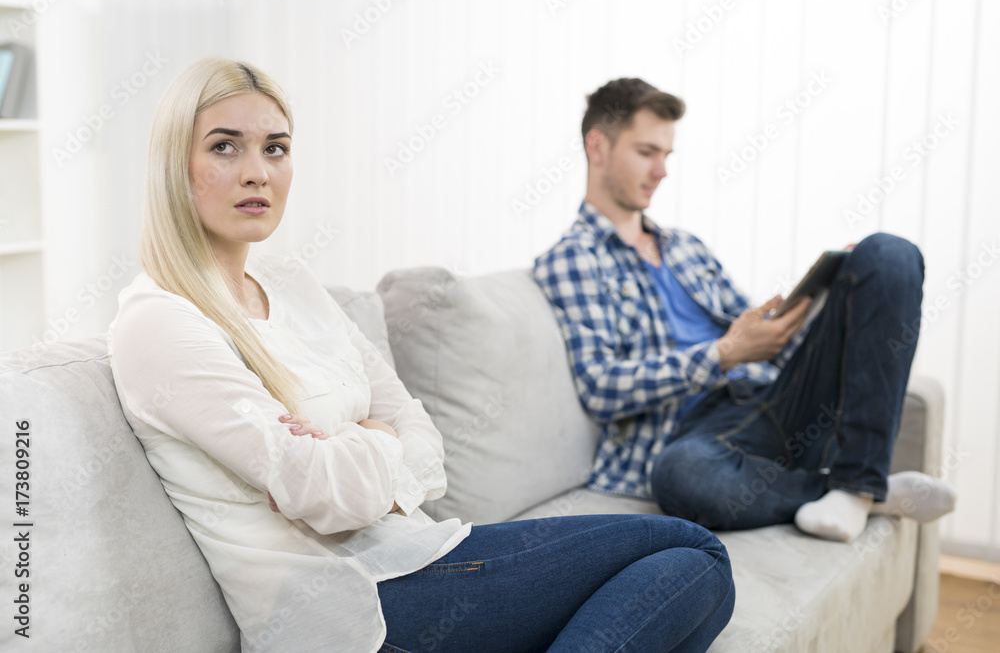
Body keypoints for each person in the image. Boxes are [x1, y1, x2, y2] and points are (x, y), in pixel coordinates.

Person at [108, 58, 735, 653]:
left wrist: (356, 441)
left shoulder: (294, 287)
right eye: (224, 146)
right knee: (696, 554)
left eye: (275, 147)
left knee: (693, 563)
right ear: (174, 164)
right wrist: (373, 438)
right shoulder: (159, 321)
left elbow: (423, 443)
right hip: (353, 606)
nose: (258, 171)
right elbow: (321, 489)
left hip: (417, 554)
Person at [533, 78, 957, 545]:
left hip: (774, 404)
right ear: (598, 146)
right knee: (684, 478)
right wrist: (724, 354)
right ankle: (862, 488)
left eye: (667, 156)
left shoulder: (687, 248)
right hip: (701, 442)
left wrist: (831, 300)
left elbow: (769, 342)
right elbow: (601, 387)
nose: (661, 171)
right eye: (646, 152)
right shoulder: (572, 259)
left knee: (887, 254)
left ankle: (855, 483)